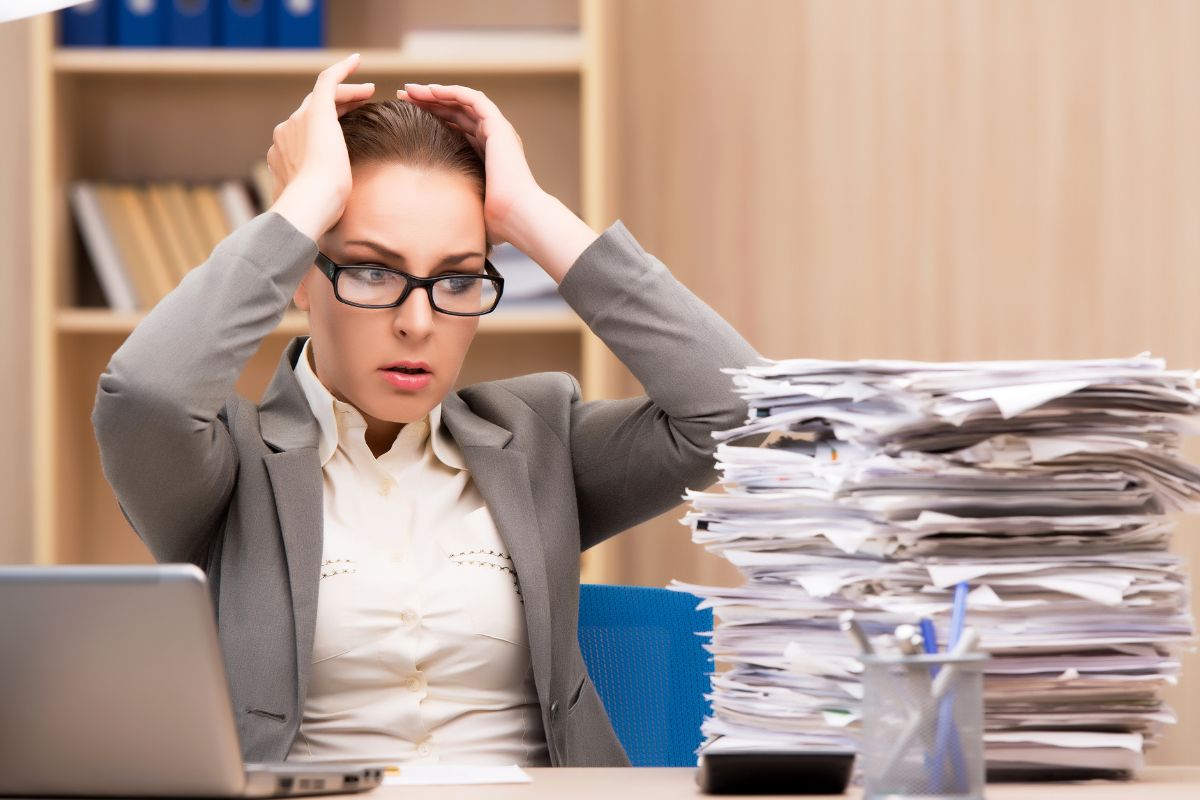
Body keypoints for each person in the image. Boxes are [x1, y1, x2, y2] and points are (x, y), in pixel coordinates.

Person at [92, 53, 760, 768]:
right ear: (298, 280)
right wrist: (305, 201)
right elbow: (147, 397)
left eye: (457, 279)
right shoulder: (227, 468)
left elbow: (737, 406)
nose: (418, 322)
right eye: (372, 271)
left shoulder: (540, 442)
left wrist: (531, 214)